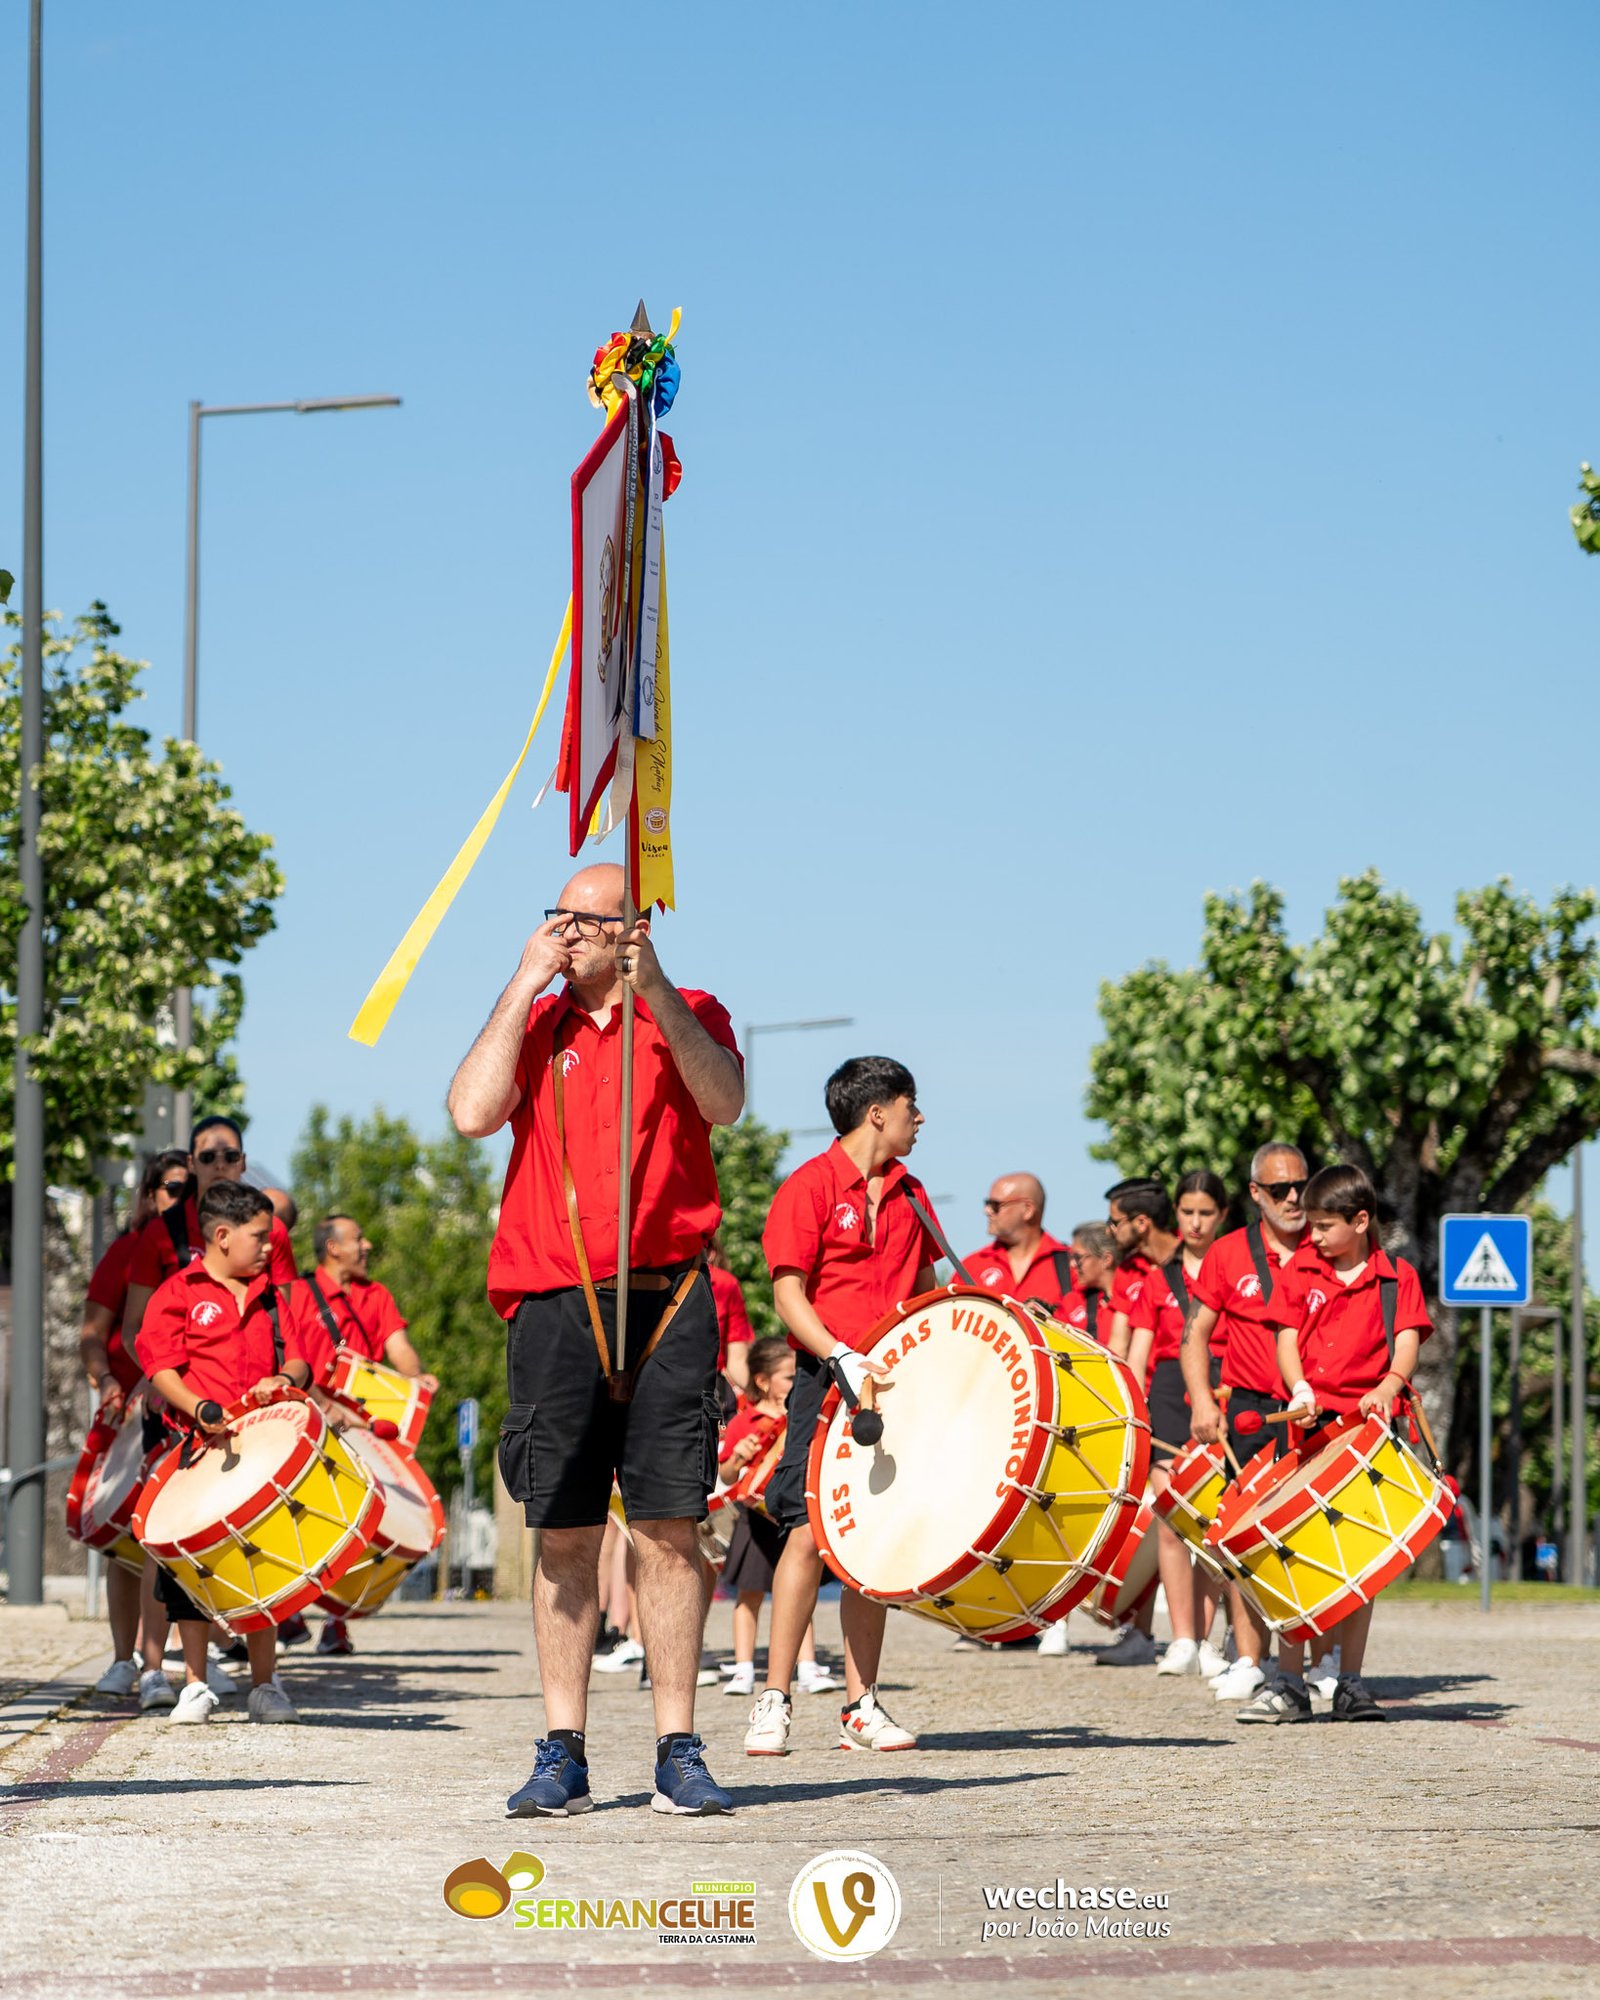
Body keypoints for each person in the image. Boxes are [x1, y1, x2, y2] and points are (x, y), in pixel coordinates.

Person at [447, 861, 744, 1818]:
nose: (567, 932)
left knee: (667, 1527)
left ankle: (677, 1747)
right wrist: (520, 982)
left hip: (668, 1296)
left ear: (633, 929)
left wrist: (655, 992)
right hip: (553, 1298)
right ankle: (562, 1749)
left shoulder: (691, 1007)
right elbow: (470, 1112)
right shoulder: (536, 1025)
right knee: (564, 1532)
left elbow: (724, 1102)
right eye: (557, 917)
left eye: (586, 921)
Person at [746, 1056, 940, 1758]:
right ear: (878, 1110)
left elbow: (926, 1291)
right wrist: (836, 1352)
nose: (921, 1119)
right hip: (824, 1378)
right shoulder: (809, 1185)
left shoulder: (915, 1195)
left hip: (896, 1386)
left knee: (873, 1543)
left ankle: (862, 1706)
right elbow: (787, 1293)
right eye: (912, 1106)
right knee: (805, 1533)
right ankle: (774, 1700)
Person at [1235, 1163, 1431, 1726]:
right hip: (1306, 1432)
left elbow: (1408, 1341)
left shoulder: (1396, 1278)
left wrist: (1389, 1387)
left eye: (1324, 1226)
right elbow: (1286, 1336)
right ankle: (1290, 1682)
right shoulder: (1300, 1270)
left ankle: (1350, 1681)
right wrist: (1299, 1386)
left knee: (1359, 1560)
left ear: (1361, 1220)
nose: (1312, 1235)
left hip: (1365, 1438)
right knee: (1293, 1554)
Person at [118, 1117, 300, 1690]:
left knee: (260, 1553)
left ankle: (263, 1681)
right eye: (208, 1154)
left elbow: (300, 1349)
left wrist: (286, 1382)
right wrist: (188, 1402)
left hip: (257, 1438)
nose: (219, 1162)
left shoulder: (270, 1281)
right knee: (174, 1551)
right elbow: (148, 1344)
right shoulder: (166, 1253)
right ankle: (165, 1670)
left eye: (231, 1154)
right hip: (190, 1433)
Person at [1182, 1142, 1311, 1702]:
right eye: (1279, 1189)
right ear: (1256, 1194)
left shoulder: (1328, 1242)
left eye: (1300, 1186)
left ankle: (1321, 1658)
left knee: (1312, 1533)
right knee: (1244, 1536)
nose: (1293, 1198)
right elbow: (1195, 1338)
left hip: (1315, 1408)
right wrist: (1202, 1402)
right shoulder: (1229, 1253)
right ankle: (1251, 1658)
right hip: (1252, 1407)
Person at [77, 1150, 192, 1697]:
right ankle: (127, 1659)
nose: (181, 1197)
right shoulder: (128, 1250)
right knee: (122, 1543)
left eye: (189, 1187)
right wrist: (108, 1383)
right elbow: (94, 1333)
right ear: (149, 1195)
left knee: (168, 1536)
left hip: (183, 1405)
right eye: (172, 1187)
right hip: (129, 1407)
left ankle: (176, 1659)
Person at [1126, 1170, 1230, 1680]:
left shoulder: (1235, 1269)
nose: (1195, 1222)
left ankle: (1212, 1637)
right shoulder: (1156, 1279)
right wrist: (1136, 1411)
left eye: (1205, 1213)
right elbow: (1139, 1353)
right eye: (1187, 1212)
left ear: (1222, 1216)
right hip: (1168, 1389)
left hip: (1222, 1383)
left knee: (1214, 1521)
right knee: (1171, 1516)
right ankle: (1182, 1639)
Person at [716, 1336, 839, 1700]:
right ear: (764, 1382)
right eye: (788, 1377)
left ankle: (807, 1665)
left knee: (799, 1590)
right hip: (755, 1518)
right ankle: (742, 1668)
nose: (794, 1382)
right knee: (749, 1595)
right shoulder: (743, 1420)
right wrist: (738, 1456)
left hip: (789, 1515)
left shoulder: (799, 1419)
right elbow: (725, 1475)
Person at [1097, 1178, 1184, 1667]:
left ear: (1141, 1222)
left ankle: (1226, 1640)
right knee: (1153, 1520)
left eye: (1115, 1220)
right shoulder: (1128, 1273)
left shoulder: (1196, 1262)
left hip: (1197, 1399)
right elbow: (1119, 1344)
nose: (1109, 1230)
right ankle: (1142, 1630)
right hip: (1150, 1409)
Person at [965, 1175, 1072, 1311]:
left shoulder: (1073, 1267)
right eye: (987, 1204)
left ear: (1027, 1209)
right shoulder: (971, 1267)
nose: (987, 1211)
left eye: (995, 1205)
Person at [707, 1234, 754, 1402]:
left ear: (710, 1253)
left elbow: (737, 1360)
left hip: (710, 1387)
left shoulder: (724, 1284)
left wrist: (760, 1397)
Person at [1058, 1221, 1118, 1344]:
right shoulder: (1073, 1302)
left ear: (1106, 1259)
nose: (1072, 1264)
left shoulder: (1133, 1297)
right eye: (1071, 1257)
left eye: (1078, 1258)